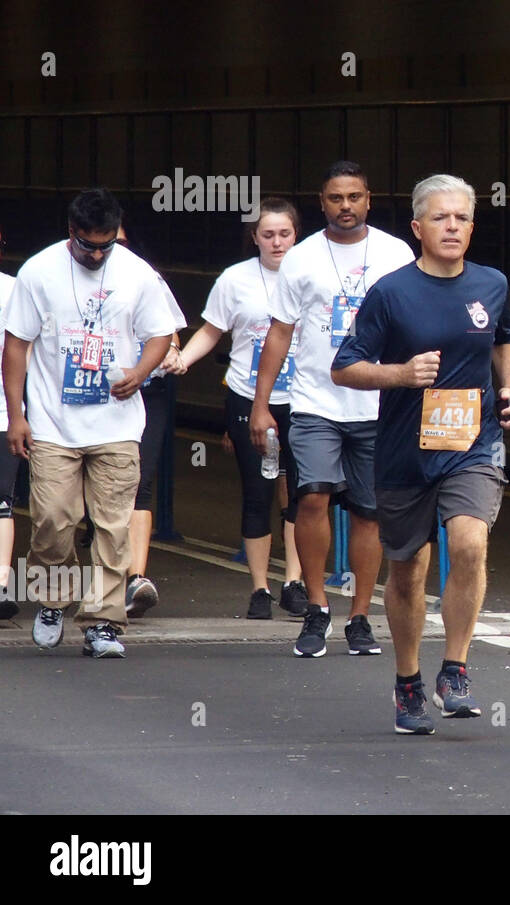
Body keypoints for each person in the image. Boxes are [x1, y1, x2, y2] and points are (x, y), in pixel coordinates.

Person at [333, 174, 510, 734]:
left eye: (461, 218)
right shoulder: (391, 292)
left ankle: (456, 669)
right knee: (409, 567)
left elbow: (507, 337)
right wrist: (399, 373)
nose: (452, 227)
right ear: (418, 228)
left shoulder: (492, 284)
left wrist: (509, 387)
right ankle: (408, 682)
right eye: (440, 218)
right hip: (404, 452)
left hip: (474, 443)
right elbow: (344, 366)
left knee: (469, 542)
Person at [249, 162, 413, 657]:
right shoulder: (300, 258)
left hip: (379, 405)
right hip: (316, 402)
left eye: (355, 197)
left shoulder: (395, 253)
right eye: (336, 198)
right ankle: (317, 607)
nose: (346, 206)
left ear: (369, 199)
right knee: (312, 499)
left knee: (369, 512)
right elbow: (280, 332)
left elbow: (416, 322)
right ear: (322, 203)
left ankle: (360, 615)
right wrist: (261, 405)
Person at [2, 189, 176, 657]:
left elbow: (161, 333)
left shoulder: (137, 273)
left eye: (105, 246)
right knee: (53, 519)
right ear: (71, 233)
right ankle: (52, 601)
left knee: (112, 526)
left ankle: (103, 620)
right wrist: (16, 416)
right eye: (87, 246)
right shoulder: (38, 272)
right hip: (54, 423)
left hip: (117, 424)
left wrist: (141, 373)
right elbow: (16, 345)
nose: (97, 254)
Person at [174, 198, 307, 619]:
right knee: (258, 489)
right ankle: (260, 589)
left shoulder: (310, 275)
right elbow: (212, 330)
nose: (277, 242)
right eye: (267, 234)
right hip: (248, 396)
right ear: (254, 238)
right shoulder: (235, 280)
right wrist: (183, 360)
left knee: (302, 493)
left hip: (304, 398)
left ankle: (295, 582)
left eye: (284, 233)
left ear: (296, 234)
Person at [113, 220, 188, 618]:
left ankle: (135, 579)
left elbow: (169, 330)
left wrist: (173, 351)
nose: (114, 247)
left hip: (148, 389)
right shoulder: (69, 279)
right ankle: (105, 575)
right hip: (98, 394)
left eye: (121, 240)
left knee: (140, 481)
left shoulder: (148, 278)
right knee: (102, 489)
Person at [0, 229, 23, 621]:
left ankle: (1, 588)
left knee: (2, 501)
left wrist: (22, 414)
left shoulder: (15, 291)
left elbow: (28, 352)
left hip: (4, 414)